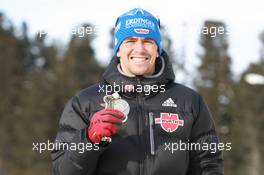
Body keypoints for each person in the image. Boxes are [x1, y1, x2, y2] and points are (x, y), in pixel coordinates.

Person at [51, 8, 223, 175]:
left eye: (148, 41)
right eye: (130, 41)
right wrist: (89, 140)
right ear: (118, 49)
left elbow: (209, 166)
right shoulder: (85, 102)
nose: (140, 49)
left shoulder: (190, 101)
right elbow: (62, 171)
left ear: (157, 50)